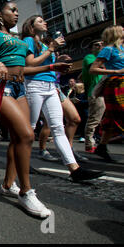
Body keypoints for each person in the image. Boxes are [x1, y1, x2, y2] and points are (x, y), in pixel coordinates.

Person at [0, 0, 72, 218]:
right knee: (27, 135)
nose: (17, 13)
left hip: (20, 88)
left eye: (18, 10)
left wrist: (52, 65)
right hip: (1, 87)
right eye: (12, 10)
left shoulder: (19, 40)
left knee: (17, 138)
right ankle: (26, 191)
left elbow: (23, 70)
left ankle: (8, 184)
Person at [21, 15, 103, 182]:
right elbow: (29, 64)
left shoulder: (44, 44)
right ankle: (22, 162)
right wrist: (51, 50)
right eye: (40, 21)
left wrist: (60, 64)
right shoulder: (29, 41)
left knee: (58, 127)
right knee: (29, 128)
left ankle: (74, 169)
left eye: (44, 20)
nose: (45, 22)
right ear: (31, 26)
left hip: (52, 87)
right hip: (35, 86)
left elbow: (48, 66)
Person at [89, 25, 124, 162]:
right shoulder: (108, 50)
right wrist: (115, 72)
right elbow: (93, 69)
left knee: (112, 117)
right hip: (116, 85)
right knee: (120, 114)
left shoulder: (122, 49)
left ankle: (102, 147)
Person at [82, 40, 106, 153]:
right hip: (97, 93)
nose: (100, 46)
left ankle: (103, 142)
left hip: (109, 91)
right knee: (94, 119)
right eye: (96, 45)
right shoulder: (89, 57)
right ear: (91, 48)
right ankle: (89, 144)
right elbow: (94, 67)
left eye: (102, 44)